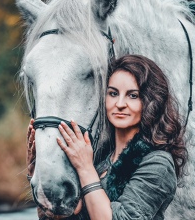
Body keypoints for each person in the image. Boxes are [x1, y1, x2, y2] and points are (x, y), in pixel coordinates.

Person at [26, 55, 187, 219]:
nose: (120, 103)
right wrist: (36, 174)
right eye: (113, 93)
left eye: (133, 95)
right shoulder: (97, 159)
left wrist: (85, 169)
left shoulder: (158, 163)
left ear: (150, 101)